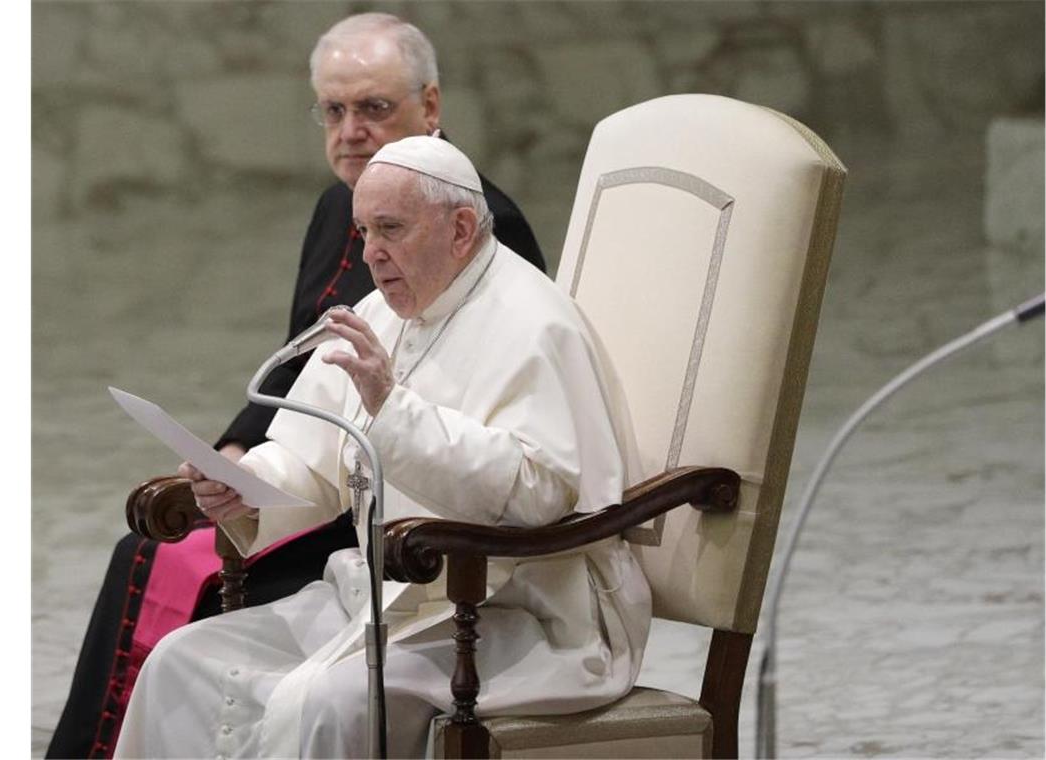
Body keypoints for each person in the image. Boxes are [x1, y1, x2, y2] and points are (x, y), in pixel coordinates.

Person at [46, 13, 544, 759]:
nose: (351, 130)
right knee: (156, 537)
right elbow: (296, 368)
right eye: (334, 110)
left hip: (401, 507)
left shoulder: (475, 226)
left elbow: (477, 432)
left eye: (374, 108)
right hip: (327, 466)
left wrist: (282, 466)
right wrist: (237, 455)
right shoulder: (337, 206)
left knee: (156, 556)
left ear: (431, 107)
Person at [113, 136, 650, 759]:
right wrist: (242, 483)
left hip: (517, 612)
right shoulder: (383, 312)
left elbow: (539, 494)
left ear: (461, 228)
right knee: (181, 661)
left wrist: (393, 410)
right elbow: (310, 459)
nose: (371, 254)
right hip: (383, 598)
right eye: (364, 231)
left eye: (391, 229)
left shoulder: (536, 322)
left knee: (326, 700)